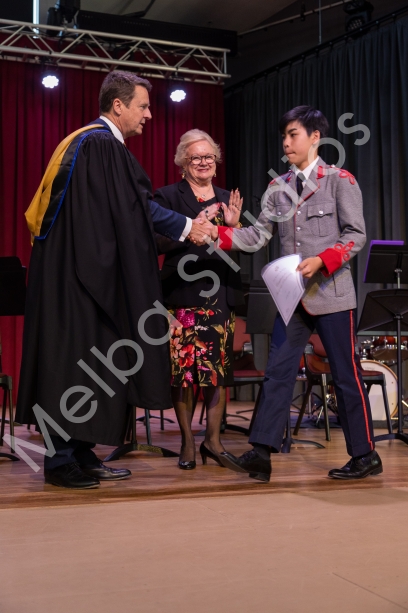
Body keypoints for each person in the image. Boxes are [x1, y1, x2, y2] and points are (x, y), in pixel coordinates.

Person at [15, 71, 213, 489]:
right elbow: (134, 207)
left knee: (91, 363)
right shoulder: (101, 144)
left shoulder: (81, 143)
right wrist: (187, 226)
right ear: (118, 105)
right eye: (143, 106)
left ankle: (81, 452)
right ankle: (60, 461)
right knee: (76, 365)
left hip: (79, 275)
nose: (149, 115)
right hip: (82, 281)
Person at [205, 105, 382, 483]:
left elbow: (355, 235)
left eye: (293, 134)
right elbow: (257, 236)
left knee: (345, 375)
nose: (286, 142)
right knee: (278, 372)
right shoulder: (277, 188)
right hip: (293, 298)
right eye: (284, 136)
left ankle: (365, 454)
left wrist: (323, 260)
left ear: (315, 137)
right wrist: (216, 234)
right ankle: (261, 452)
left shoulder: (339, 181)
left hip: (332, 294)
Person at [154, 129, 244, 469]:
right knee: (185, 372)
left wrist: (232, 228)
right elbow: (155, 242)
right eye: (196, 157)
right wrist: (190, 228)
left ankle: (213, 441)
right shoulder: (167, 197)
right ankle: (188, 444)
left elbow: (241, 246)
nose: (203, 162)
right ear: (183, 163)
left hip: (219, 293)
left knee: (216, 372)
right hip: (182, 294)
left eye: (209, 157)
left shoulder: (227, 197)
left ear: (216, 162)